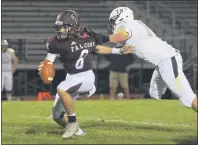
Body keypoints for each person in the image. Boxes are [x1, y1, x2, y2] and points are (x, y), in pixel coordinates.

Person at [38, 10, 132, 139]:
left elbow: (97, 48)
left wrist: (118, 51)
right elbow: (49, 61)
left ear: (74, 27)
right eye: (59, 27)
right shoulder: (54, 42)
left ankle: (73, 123)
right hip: (71, 77)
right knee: (57, 115)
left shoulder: (86, 36)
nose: (61, 30)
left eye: (64, 27)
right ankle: (79, 133)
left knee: (61, 88)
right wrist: (44, 68)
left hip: (86, 76)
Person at [96, 7, 197, 112]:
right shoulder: (135, 25)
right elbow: (117, 44)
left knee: (188, 98)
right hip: (163, 63)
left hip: (168, 60)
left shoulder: (126, 24)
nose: (112, 25)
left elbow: (121, 36)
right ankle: (165, 112)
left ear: (121, 17)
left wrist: (103, 38)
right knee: (155, 93)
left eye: (113, 21)